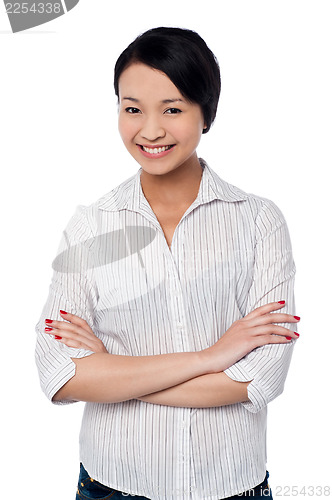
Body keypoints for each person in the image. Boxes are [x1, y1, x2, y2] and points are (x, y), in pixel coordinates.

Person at [35, 27, 300, 500]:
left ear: (206, 113)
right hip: (112, 487)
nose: (150, 130)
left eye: (172, 109)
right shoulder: (92, 227)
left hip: (231, 487)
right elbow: (59, 376)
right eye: (132, 108)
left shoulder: (259, 222)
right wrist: (209, 359)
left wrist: (111, 372)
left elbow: (261, 378)